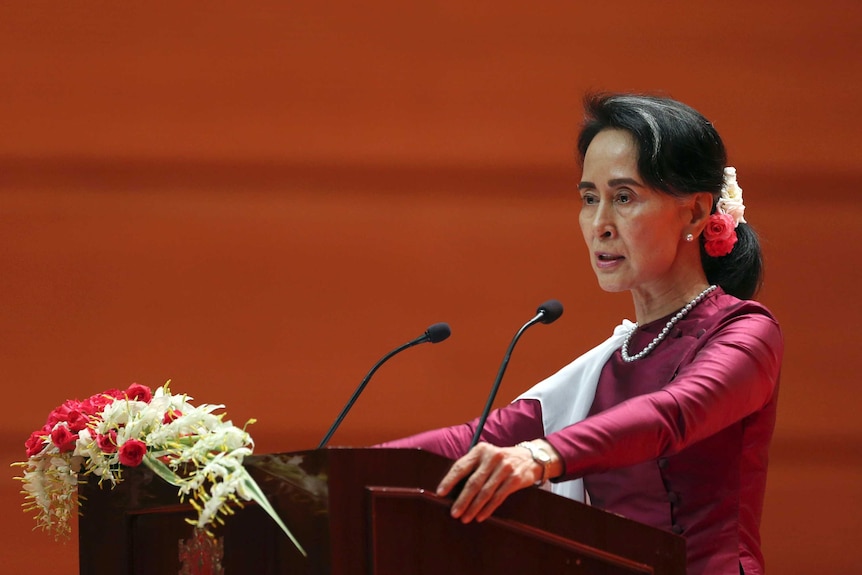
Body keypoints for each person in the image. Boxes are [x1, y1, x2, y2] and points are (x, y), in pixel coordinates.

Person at [379, 93, 783, 575]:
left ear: (695, 214)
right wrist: (302, 473)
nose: (599, 224)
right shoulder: (611, 363)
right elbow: (473, 439)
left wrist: (541, 454)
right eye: (590, 198)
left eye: (624, 197)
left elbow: (672, 414)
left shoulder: (746, 332)